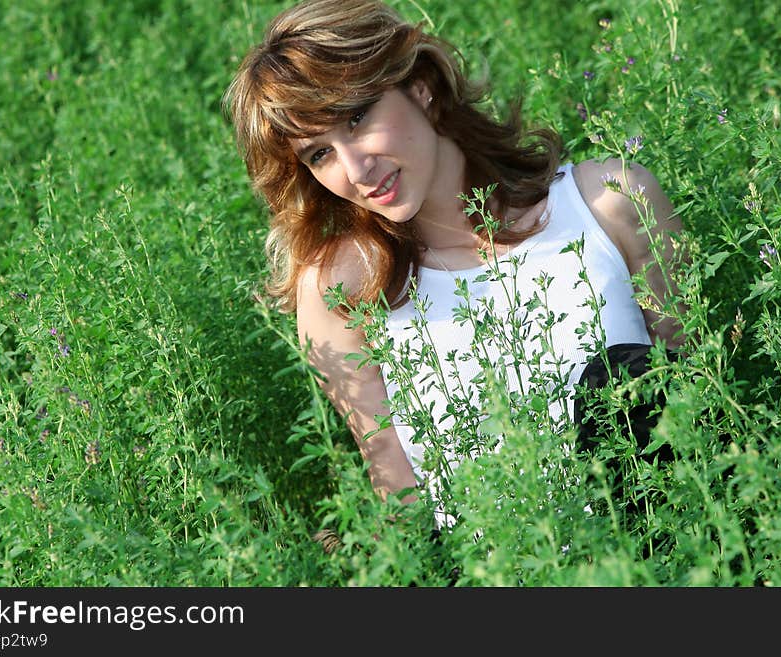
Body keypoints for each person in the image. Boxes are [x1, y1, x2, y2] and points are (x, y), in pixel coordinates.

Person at [224, 0, 686, 521]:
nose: (356, 168)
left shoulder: (610, 202)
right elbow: (403, 508)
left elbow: (702, 406)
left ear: (419, 85)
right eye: (319, 154)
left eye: (357, 118)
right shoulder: (344, 291)